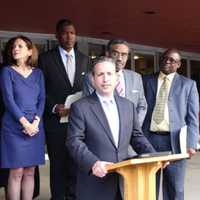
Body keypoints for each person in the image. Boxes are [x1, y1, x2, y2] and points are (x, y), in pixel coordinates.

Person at [66, 57, 155, 200]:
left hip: (124, 181)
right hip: (95, 182)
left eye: (109, 74)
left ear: (116, 78)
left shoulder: (128, 106)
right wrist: (93, 163)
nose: (105, 79)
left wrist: (154, 157)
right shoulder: (80, 107)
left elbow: (137, 137)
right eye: (100, 74)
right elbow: (74, 141)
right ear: (93, 79)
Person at [38, 18, 89, 200]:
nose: (69, 36)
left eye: (72, 33)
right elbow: (40, 90)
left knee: (76, 165)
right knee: (58, 166)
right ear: (57, 35)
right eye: (65, 33)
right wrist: (53, 107)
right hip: (55, 123)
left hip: (79, 123)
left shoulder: (84, 60)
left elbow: (87, 90)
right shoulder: (45, 59)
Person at [142, 48, 199, 200]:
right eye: (164, 58)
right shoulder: (146, 80)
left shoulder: (188, 85)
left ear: (179, 64)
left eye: (172, 60)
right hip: (149, 139)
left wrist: (191, 143)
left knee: (175, 187)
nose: (167, 61)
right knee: (149, 184)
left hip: (175, 142)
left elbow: (192, 118)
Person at [0, 35, 45, 200]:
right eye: (13, 47)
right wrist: (25, 123)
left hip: (35, 127)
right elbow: (8, 100)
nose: (15, 49)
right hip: (14, 127)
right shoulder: (7, 71)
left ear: (29, 51)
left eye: (19, 46)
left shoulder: (38, 73)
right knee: (16, 171)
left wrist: (36, 122)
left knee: (30, 171)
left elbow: (42, 100)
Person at [83, 39, 147, 126]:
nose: (120, 58)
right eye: (115, 54)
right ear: (107, 54)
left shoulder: (136, 77)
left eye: (124, 55)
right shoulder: (92, 77)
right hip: (104, 132)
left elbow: (142, 106)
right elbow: (90, 108)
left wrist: (134, 128)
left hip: (131, 133)